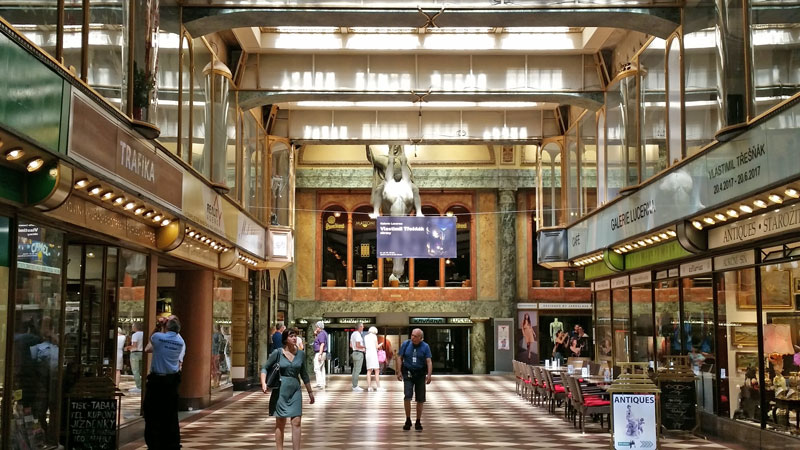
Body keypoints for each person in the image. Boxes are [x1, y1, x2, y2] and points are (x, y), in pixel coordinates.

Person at [261, 328, 315, 450]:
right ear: (285, 339)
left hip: (295, 389)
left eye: (295, 336)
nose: (294, 338)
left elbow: (304, 374)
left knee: (296, 421)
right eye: (291, 336)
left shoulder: (300, 354)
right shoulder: (278, 353)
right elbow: (265, 367)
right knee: (280, 422)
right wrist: (263, 382)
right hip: (281, 389)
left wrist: (310, 392)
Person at [144, 315, 186, 450]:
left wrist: (159, 325)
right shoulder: (180, 342)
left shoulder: (159, 338)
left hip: (157, 381)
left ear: (166, 327)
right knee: (170, 414)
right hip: (172, 381)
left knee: (152, 412)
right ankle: (171, 443)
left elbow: (151, 340)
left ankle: (154, 444)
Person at [395, 328, 432, 431]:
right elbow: (399, 357)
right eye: (412, 335)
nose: (413, 338)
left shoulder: (425, 346)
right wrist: (399, 371)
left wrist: (429, 375)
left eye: (415, 336)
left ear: (421, 338)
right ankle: (408, 419)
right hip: (408, 373)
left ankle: (418, 421)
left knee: (420, 399)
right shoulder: (406, 344)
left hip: (420, 374)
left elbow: (428, 361)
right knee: (407, 396)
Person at [126, 321, 144, 393]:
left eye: (133, 326)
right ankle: (142, 385)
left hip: (135, 354)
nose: (132, 327)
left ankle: (139, 387)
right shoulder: (144, 334)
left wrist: (127, 347)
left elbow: (134, 346)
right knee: (141, 370)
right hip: (142, 353)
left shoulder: (135, 335)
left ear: (136, 327)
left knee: (135, 371)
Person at [365, 326, 384, 391]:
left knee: (369, 370)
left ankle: (369, 387)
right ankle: (378, 387)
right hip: (373, 354)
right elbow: (376, 347)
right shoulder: (374, 336)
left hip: (367, 354)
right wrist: (381, 344)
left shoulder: (366, 337)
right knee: (376, 370)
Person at [350, 323, 366, 391]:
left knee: (354, 370)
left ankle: (354, 385)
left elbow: (351, 345)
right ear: (359, 327)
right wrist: (365, 346)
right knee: (357, 370)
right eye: (362, 326)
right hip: (358, 353)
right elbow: (358, 345)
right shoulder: (358, 334)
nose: (363, 327)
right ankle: (355, 386)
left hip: (354, 352)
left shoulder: (353, 334)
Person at [312, 321, 328, 389]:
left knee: (317, 368)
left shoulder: (321, 334)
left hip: (320, 352)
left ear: (319, 327)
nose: (316, 328)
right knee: (322, 368)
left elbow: (322, 344)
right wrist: (315, 335)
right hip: (322, 352)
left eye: (317, 327)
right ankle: (322, 383)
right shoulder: (323, 333)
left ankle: (320, 383)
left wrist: (320, 354)